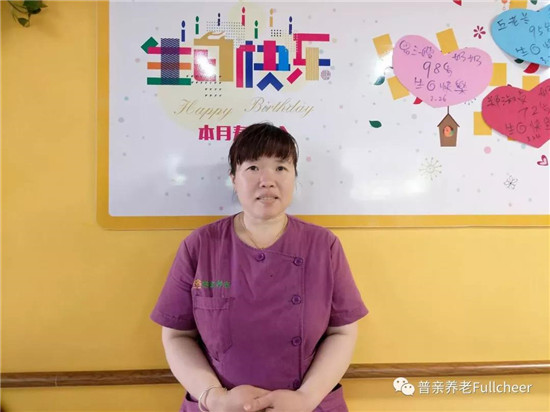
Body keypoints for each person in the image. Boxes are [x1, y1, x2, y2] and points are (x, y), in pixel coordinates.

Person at [151, 123, 368, 412]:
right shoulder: (200, 245)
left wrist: (306, 398)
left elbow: (342, 332)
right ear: (233, 178)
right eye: (253, 168)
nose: (267, 180)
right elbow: (177, 335)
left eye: (281, 168)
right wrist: (214, 397)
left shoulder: (323, 245)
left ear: (294, 177)